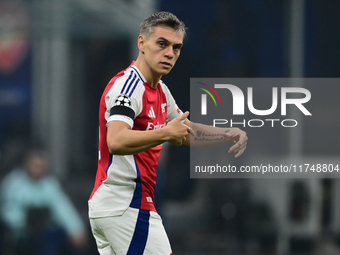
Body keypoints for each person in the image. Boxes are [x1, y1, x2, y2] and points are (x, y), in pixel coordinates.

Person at [88, 11, 248, 255]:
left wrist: (225, 134)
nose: (170, 53)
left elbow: (183, 132)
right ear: (141, 43)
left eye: (176, 47)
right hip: (125, 205)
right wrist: (164, 133)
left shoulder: (160, 89)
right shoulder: (128, 86)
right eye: (162, 44)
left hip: (123, 206)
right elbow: (117, 140)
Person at [0, 148, 87, 255]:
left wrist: (76, 230)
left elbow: (63, 207)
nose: (38, 169)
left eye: (41, 166)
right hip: (20, 235)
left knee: (68, 243)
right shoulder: (13, 184)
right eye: (35, 165)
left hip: (47, 232)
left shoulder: (49, 184)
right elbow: (8, 211)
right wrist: (25, 225)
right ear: (26, 164)